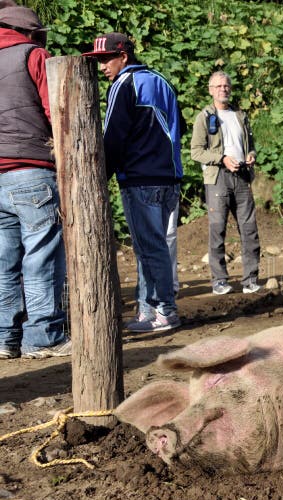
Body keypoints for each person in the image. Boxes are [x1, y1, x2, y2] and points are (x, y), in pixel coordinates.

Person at [83, 33, 182, 332]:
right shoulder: (161, 81)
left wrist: (100, 176)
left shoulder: (123, 84)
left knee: (150, 248)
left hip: (140, 179)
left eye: (105, 59)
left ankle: (164, 312)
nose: (102, 67)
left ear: (123, 56)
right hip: (169, 177)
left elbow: (113, 135)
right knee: (153, 247)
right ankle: (148, 312)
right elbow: (178, 126)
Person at [0, 5, 70, 359]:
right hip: (31, 171)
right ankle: (43, 338)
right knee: (41, 257)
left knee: (4, 261)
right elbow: (55, 110)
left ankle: (4, 338)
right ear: (29, 33)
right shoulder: (34, 55)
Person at [190, 71, 262, 295]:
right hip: (218, 178)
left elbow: (250, 144)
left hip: (242, 176)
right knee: (217, 229)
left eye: (226, 85)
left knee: (249, 229)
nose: (224, 89)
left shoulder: (240, 115)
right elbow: (196, 152)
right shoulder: (204, 117)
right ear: (211, 90)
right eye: (219, 86)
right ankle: (219, 280)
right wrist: (221, 159)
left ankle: (250, 279)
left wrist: (251, 155)